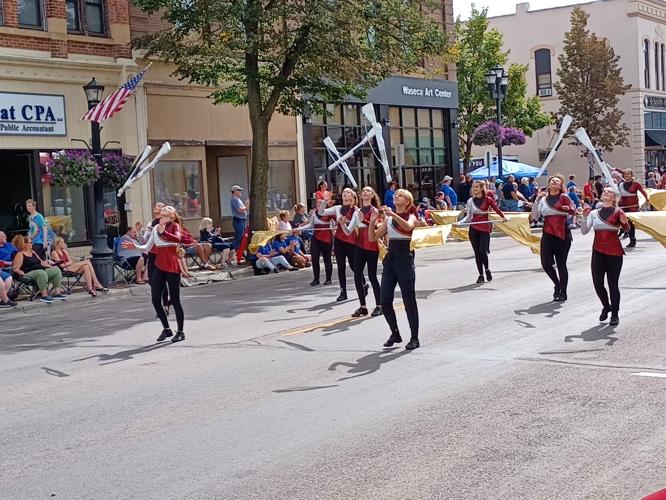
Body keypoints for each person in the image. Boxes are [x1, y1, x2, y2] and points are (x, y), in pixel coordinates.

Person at [122, 205, 185, 343]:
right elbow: (147, 247)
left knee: (175, 300)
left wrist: (164, 233)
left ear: (172, 214)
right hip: (159, 266)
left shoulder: (174, 226)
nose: (165, 209)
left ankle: (180, 332)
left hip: (172, 266)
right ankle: (167, 329)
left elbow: (177, 239)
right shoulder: (156, 228)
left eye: (168, 209)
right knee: (155, 299)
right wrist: (135, 246)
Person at [369, 189, 420, 350]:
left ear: (407, 201)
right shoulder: (389, 220)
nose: (396, 196)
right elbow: (373, 237)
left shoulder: (410, 216)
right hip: (390, 261)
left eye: (400, 195)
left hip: (405, 259)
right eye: (395, 194)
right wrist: (371, 222)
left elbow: (407, 226)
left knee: (408, 301)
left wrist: (392, 214)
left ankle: (414, 338)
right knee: (384, 300)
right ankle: (395, 333)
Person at [580, 188, 630, 326]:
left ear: (614, 198)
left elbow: (626, 230)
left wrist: (625, 222)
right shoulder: (594, 213)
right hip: (598, 252)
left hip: (615, 253)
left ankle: (615, 314)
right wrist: (584, 217)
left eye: (609, 192)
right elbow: (584, 231)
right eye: (605, 191)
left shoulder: (618, 212)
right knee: (597, 283)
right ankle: (606, 306)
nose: (606, 193)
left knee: (613, 284)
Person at [338, 186, 383, 318]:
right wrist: (342, 224)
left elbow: (376, 227)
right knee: (357, 276)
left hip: (371, 244)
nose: (365, 192)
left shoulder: (375, 210)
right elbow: (348, 231)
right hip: (359, 245)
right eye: (363, 190)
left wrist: (363, 220)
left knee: (372, 276)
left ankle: (379, 305)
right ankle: (363, 306)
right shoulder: (357, 212)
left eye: (368, 190)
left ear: (372, 195)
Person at [531, 175, 576, 302]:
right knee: (545, 263)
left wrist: (569, 209)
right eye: (552, 180)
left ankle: (563, 292)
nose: (554, 182)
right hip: (547, 234)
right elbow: (534, 216)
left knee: (561, 264)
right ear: (549, 184)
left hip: (562, 234)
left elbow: (573, 211)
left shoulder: (564, 197)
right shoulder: (543, 199)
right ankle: (557, 284)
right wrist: (537, 199)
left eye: (557, 181)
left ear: (561, 184)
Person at [318, 188, 363, 302]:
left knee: (354, 265)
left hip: (351, 241)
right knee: (340, 266)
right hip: (339, 240)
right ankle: (343, 291)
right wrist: (324, 201)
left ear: (352, 198)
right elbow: (321, 212)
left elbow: (351, 228)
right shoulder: (338, 208)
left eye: (348, 192)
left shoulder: (356, 211)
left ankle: (363, 283)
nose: (344, 193)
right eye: (344, 192)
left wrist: (344, 223)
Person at [459, 180, 506, 284]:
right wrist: (459, 223)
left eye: (476, 187)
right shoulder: (470, 201)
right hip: (473, 229)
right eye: (473, 187)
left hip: (484, 228)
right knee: (477, 253)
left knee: (482, 251)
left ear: (481, 188)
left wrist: (503, 217)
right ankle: (480, 275)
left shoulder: (488, 199)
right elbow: (468, 218)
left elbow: (497, 209)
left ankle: (487, 269)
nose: (474, 188)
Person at [11, 235, 66, 303]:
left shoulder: (33, 252)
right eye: (30, 242)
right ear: (24, 244)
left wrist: (49, 266)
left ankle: (57, 293)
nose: (32, 244)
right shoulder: (20, 254)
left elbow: (41, 262)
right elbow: (15, 268)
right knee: (41, 272)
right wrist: (19, 271)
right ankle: (44, 295)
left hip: (39, 271)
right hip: (27, 273)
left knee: (56, 270)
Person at [299, 200, 335, 286]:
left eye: (320, 203)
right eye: (317, 203)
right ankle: (316, 279)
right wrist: (299, 228)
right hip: (316, 238)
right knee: (315, 258)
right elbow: (310, 225)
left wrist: (334, 227)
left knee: (327, 259)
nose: (318, 205)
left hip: (326, 238)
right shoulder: (314, 214)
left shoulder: (329, 213)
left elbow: (334, 223)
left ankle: (328, 279)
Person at [617, 169, 648, 248]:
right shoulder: (621, 184)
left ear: (631, 175)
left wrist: (647, 200)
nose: (626, 176)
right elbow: (617, 194)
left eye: (628, 174)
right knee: (623, 222)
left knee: (630, 223)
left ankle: (632, 240)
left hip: (632, 207)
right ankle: (625, 234)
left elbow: (643, 192)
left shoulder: (636, 184)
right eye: (625, 174)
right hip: (623, 206)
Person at [230, 185, 249, 251]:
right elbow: (240, 210)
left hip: (242, 220)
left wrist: (245, 206)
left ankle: (240, 252)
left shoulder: (238, 199)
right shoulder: (234, 200)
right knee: (239, 237)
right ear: (234, 191)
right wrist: (247, 206)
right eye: (239, 190)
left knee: (242, 237)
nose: (240, 191)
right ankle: (236, 252)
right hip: (238, 221)